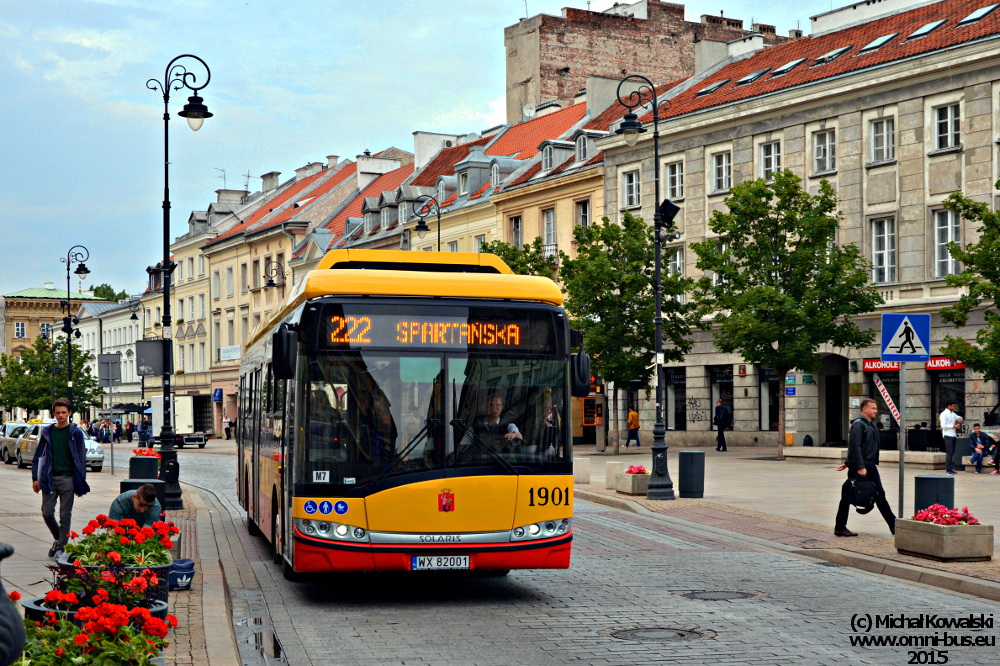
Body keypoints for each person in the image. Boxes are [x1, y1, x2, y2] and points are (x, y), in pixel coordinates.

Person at [31, 398, 90, 559]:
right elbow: (38, 456)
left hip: (68, 479)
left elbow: (81, 459)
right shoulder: (47, 432)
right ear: (54, 414)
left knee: (65, 515)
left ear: (70, 413)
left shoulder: (75, 432)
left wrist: (79, 483)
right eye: (58, 413)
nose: (61, 415)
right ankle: (59, 541)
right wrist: (35, 478)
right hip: (49, 478)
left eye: (64, 412)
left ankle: (61, 547)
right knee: (47, 513)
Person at [835, 398, 895, 537]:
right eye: (873, 408)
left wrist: (847, 462)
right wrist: (858, 466)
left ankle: (894, 526)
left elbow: (860, 447)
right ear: (865, 409)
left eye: (876, 408)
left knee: (879, 494)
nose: (876, 410)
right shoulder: (858, 425)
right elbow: (855, 446)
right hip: (861, 466)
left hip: (869, 465)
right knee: (848, 495)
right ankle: (839, 527)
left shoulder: (871, 424)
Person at [940, 400, 963, 475]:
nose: (954, 407)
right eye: (953, 406)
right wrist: (954, 426)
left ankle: (950, 468)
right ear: (949, 406)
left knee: (952, 452)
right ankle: (948, 469)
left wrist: (960, 419)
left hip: (953, 435)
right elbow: (943, 426)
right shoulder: (943, 414)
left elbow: (958, 417)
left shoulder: (953, 414)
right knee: (949, 452)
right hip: (947, 435)